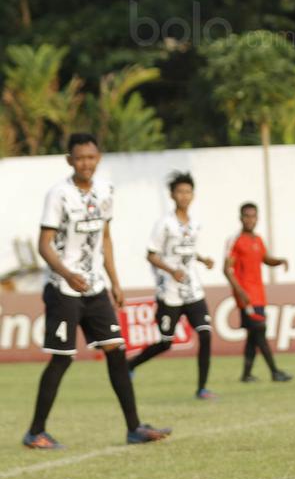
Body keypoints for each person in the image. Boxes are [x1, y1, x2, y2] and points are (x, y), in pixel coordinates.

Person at [22, 133, 172, 449]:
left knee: (116, 352)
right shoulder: (59, 194)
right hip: (63, 288)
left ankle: (134, 428)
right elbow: (44, 244)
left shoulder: (105, 191)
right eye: (79, 158)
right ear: (69, 160)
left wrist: (115, 282)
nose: (85, 164)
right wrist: (67, 273)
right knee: (62, 359)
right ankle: (36, 431)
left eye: (91, 157)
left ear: (98, 158)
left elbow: (105, 238)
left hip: (96, 288)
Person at [127, 171, 217, 399]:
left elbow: (186, 250)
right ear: (172, 195)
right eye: (180, 192)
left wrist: (202, 259)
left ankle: (202, 388)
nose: (184, 196)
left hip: (193, 289)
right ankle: (131, 364)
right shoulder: (164, 224)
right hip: (170, 291)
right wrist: (171, 271)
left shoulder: (195, 225)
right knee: (166, 342)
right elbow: (152, 255)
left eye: (188, 192)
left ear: (193, 195)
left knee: (205, 334)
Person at [223, 202, 292, 383]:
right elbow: (226, 269)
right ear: (240, 218)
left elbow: (265, 259)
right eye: (246, 216)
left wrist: (279, 261)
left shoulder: (258, 240)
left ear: (257, 218)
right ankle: (275, 372)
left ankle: (246, 375)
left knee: (254, 335)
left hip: (259, 294)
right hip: (246, 296)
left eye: (253, 216)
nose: (250, 220)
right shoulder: (235, 240)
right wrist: (240, 292)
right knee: (259, 330)